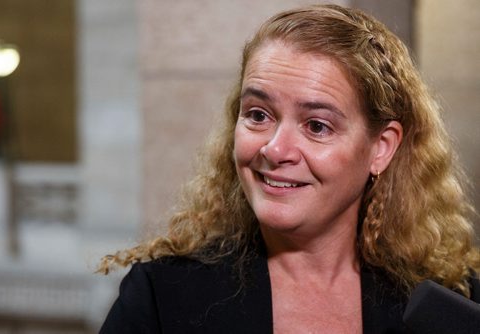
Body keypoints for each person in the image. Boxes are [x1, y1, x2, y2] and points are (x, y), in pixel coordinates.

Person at [99, 4, 480, 333]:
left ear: (381, 148)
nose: (274, 149)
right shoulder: (161, 297)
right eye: (258, 115)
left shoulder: (455, 304)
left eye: (317, 125)